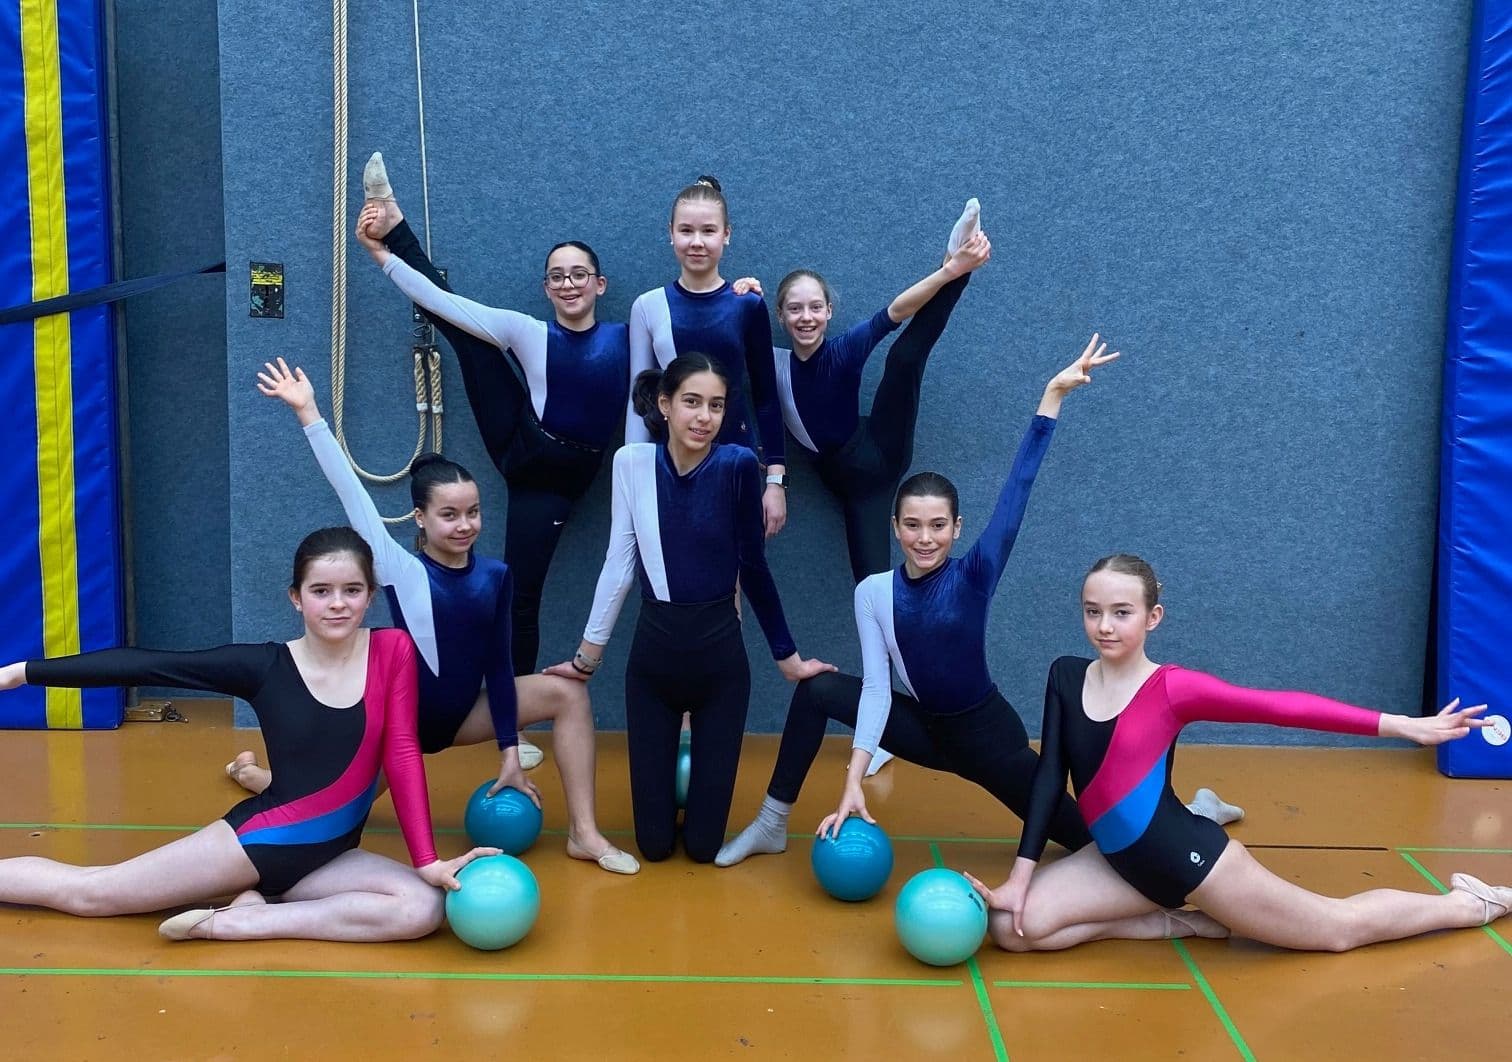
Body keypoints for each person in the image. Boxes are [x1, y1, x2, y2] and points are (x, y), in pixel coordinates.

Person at [716, 338, 1240, 867]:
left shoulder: (975, 573)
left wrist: (1050, 399)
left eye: (938, 526)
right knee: (817, 691)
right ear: (895, 528)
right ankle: (771, 822)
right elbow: (877, 688)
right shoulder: (873, 593)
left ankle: (1196, 812)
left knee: (1096, 846)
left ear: (957, 528)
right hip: (924, 730)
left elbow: (1018, 490)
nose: (925, 538)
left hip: (988, 741)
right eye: (913, 525)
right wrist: (853, 778)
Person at [963, 553, 1508, 951]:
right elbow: (1049, 777)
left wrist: (1399, 725)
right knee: (1014, 927)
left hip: (1187, 863)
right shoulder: (1064, 675)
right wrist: (1021, 875)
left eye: (1122, 612)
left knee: (1334, 931)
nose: (1104, 626)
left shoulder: (1173, 689)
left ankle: (1470, 903)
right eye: (1092, 611)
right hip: (1117, 861)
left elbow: (1282, 707)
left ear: (1153, 617)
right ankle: (1177, 923)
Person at [226, 358, 638, 875]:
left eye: (473, 512)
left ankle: (584, 833)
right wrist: (309, 412)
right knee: (319, 808)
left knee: (568, 694)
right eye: (449, 514)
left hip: (465, 716)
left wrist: (510, 751)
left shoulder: (494, 575)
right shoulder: (398, 567)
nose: (465, 525)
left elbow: (498, 665)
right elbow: (349, 491)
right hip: (397, 731)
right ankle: (256, 776)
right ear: (420, 518)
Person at [0, 528, 495, 941]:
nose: (338, 604)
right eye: (321, 591)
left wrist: (426, 859)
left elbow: (403, 751)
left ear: (370, 594)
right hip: (254, 845)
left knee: (422, 907)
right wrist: (23, 672)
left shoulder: (393, 651)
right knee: (93, 894)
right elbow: (152, 663)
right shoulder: (264, 666)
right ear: (296, 598)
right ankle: (250, 900)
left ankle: (252, 921)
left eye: (352, 590)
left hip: (330, 856)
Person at [546, 354, 833, 863]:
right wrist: (586, 658)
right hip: (652, 665)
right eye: (692, 402)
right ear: (665, 404)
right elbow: (619, 564)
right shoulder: (631, 463)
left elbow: (755, 567)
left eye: (716, 406)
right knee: (653, 847)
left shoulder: (738, 464)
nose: (704, 416)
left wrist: (788, 658)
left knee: (703, 848)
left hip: (720, 667)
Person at [355, 152, 625, 679]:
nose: (568, 284)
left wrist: (742, 293)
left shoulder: (627, 334)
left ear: (600, 284)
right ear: (546, 288)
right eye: (556, 277)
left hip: (559, 479)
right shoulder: (530, 330)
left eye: (579, 275)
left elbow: (686, 343)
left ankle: (518, 707)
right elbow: (441, 302)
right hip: (522, 446)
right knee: (470, 336)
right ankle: (395, 223)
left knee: (523, 593)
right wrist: (382, 256)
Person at [773, 200, 990, 582]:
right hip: (855, 489)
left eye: (814, 308)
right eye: (795, 309)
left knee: (905, 357)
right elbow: (729, 336)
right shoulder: (773, 363)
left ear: (828, 312)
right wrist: (741, 293)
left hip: (880, 451)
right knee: (870, 589)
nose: (805, 317)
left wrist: (951, 271)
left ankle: (958, 258)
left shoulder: (843, 350)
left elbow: (896, 311)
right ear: (780, 316)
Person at [627, 176, 788, 536]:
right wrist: (635, 478)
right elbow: (637, 400)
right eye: (686, 230)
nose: (697, 242)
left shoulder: (747, 303)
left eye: (709, 231)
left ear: (726, 234)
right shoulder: (647, 307)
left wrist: (776, 481)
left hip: (734, 457)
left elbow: (764, 395)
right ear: (670, 233)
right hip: (667, 460)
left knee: (729, 576)